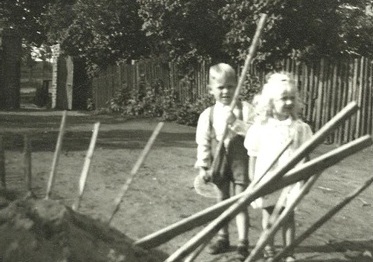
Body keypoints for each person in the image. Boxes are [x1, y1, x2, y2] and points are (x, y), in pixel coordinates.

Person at [244, 72, 313, 262]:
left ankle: (289, 253)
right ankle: (269, 251)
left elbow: (305, 155)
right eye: (284, 99)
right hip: (268, 178)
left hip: (291, 179)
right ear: (271, 102)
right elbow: (253, 154)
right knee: (270, 216)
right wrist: (253, 179)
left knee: (288, 216)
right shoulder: (261, 127)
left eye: (292, 98)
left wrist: (305, 179)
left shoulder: (300, 128)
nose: (289, 102)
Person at [195, 63, 255, 261]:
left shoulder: (246, 110)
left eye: (230, 86)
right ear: (211, 89)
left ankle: (243, 243)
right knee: (221, 202)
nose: (226, 91)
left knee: (240, 202)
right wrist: (203, 166)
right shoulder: (208, 114)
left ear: (237, 85)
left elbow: (256, 135)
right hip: (219, 162)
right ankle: (223, 238)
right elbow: (203, 143)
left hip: (241, 162)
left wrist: (236, 123)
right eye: (220, 87)